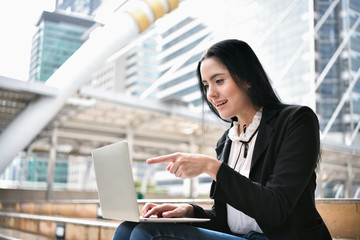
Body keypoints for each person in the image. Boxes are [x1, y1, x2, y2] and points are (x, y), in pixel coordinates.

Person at [112, 39, 332, 240]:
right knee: (126, 228)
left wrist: (211, 166)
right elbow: (230, 219)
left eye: (219, 81)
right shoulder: (227, 141)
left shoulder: (296, 121)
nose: (210, 94)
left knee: (147, 233)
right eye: (206, 85)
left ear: (247, 79)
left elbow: (276, 210)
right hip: (241, 238)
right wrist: (188, 211)